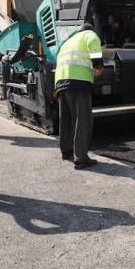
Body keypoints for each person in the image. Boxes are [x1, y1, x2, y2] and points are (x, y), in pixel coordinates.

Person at [55, 23, 104, 170]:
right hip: (79, 81)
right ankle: (81, 158)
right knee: (82, 120)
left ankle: (66, 151)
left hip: (61, 82)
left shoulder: (67, 42)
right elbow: (95, 50)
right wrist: (98, 68)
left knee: (66, 119)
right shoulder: (90, 35)